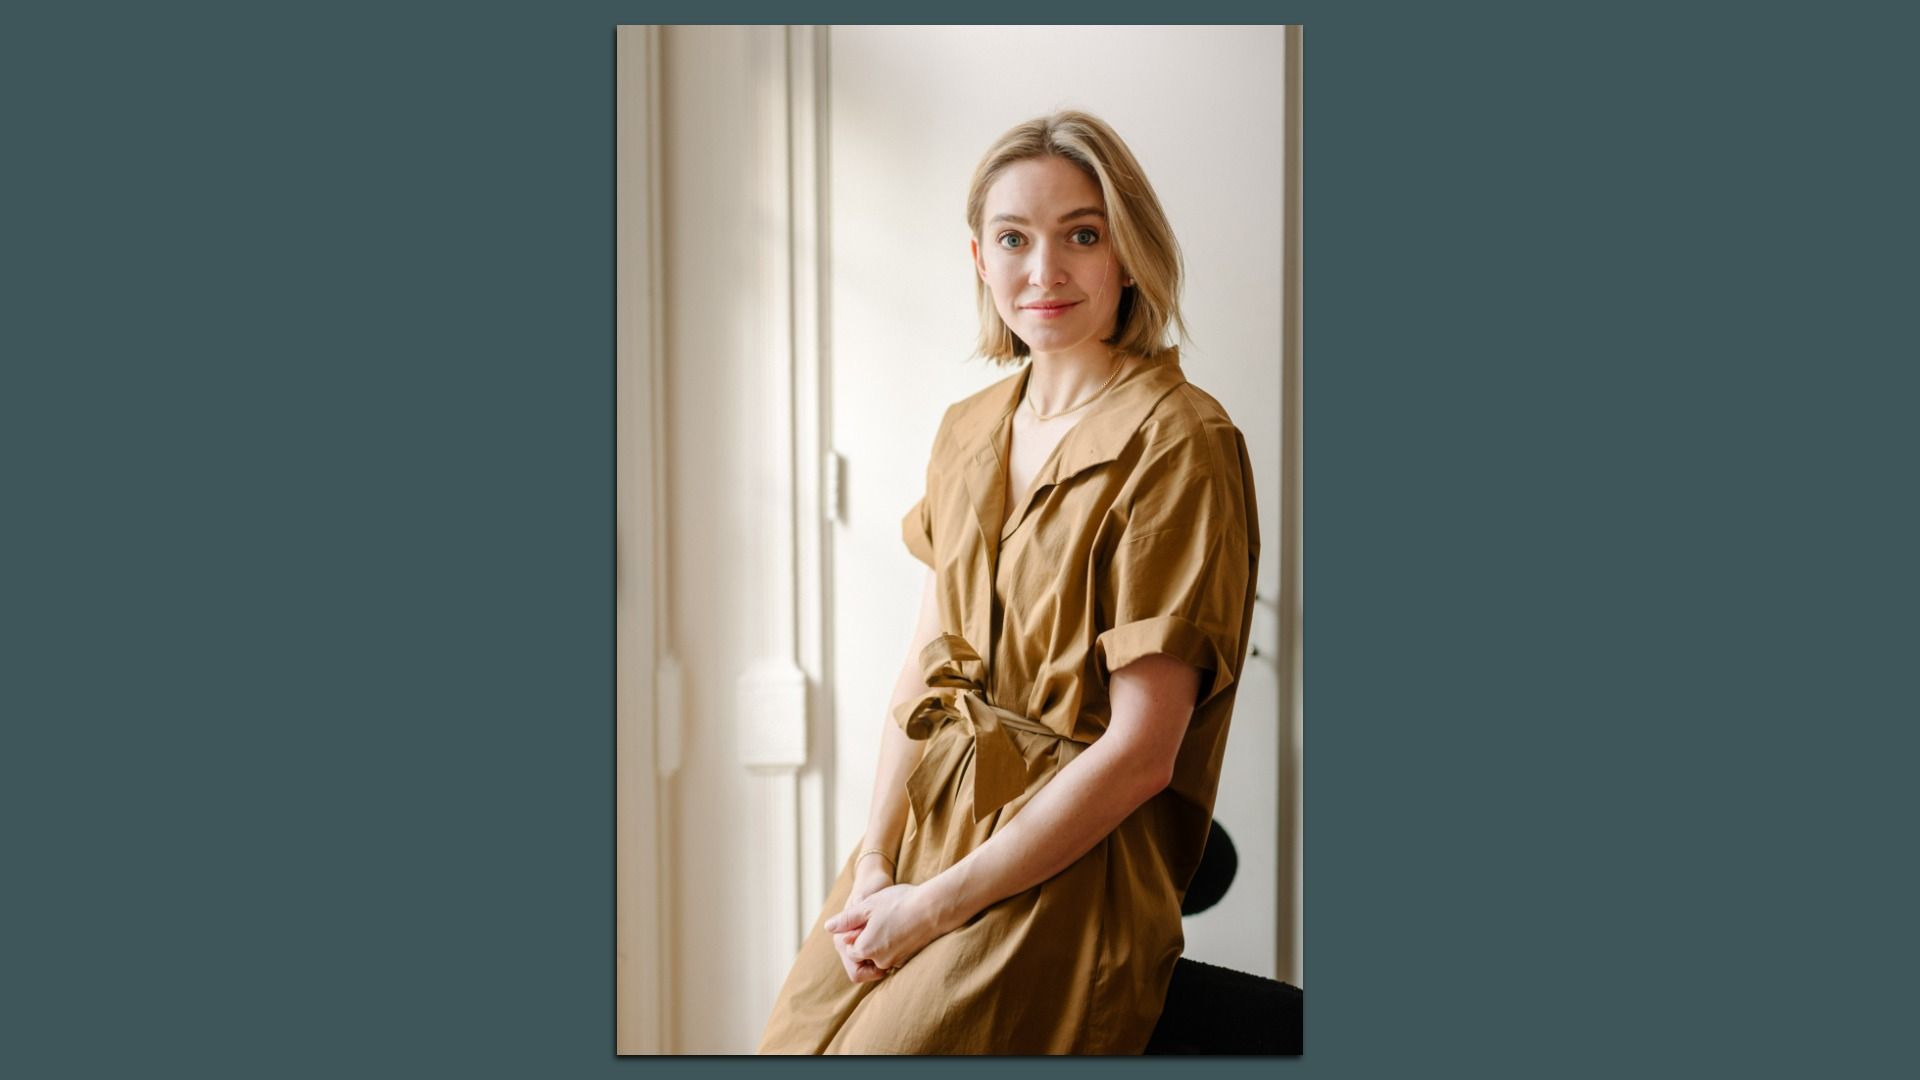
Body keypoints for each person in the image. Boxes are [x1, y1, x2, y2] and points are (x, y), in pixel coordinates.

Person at [758, 110, 1260, 1055]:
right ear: (979, 261)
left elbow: (1144, 753)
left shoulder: (1181, 443)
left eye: (1082, 232)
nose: (1045, 271)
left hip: (1072, 865)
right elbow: (923, 669)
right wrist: (874, 866)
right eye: (1014, 239)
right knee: (793, 1042)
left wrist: (934, 910)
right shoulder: (967, 428)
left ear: (1128, 252)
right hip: (926, 833)